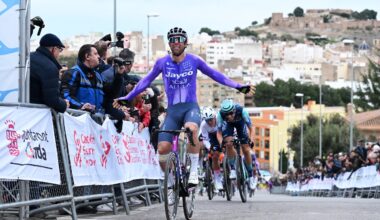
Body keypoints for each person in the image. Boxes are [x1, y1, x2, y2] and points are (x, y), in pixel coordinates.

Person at [115, 27, 254, 185]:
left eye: (179, 39)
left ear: (185, 42)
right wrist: (127, 98)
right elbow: (145, 81)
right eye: (172, 39)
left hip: (190, 108)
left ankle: (193, 171)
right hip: (173, 111)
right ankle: (173, 180)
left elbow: (215, 75)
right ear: (169, 43)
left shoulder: (194, 60)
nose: (176, 42)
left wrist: (238, 86)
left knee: (192, 129)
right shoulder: (162, 62)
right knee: (162, 149)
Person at [216, 99, 256, 189]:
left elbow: (251, 128)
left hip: (240, 123)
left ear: (234, 110)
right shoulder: (220, 115)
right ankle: (233, 169)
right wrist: (221, 143)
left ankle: (250, 176)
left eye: (230, 113)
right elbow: (218, 133)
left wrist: (251, 140)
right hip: (228, 126)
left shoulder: (242, 111)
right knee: (229, 144)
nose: (229, 116)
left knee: (246, 149)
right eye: (226, 115)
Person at [30, 33, 69, 112]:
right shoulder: (50, 67)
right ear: (54, 49)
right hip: (37, 114)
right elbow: (52, 100)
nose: (59, 54)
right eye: (60, 50)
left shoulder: (28, 57)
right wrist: (64, 104)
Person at [61, 44, 104, 114]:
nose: (98, 56)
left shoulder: (98, 76)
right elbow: (65, 96)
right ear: (87, 56)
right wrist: (81, 106)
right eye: (95, 54)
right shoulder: (73, 73)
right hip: (79, 120)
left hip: (97, 121)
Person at [199, 107, 223, 191]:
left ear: (215, 117)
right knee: (215, 155)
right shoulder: (203, 125)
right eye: (207, 120)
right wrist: (210, 148)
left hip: (221, 134)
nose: (209, 122)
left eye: (211, 119)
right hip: (212, 138)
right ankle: (217, 178)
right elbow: (205, 140)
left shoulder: (220, 120)